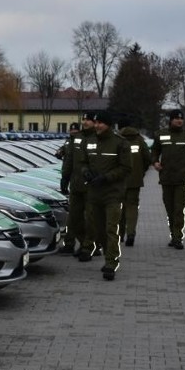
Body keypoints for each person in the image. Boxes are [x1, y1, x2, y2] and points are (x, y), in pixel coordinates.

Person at [77, 110, 131, 280]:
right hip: (94, 193)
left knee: (110, 228)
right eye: (96, 123)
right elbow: (83, 162)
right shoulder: (90, 141)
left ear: (108, 124)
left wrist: (107, 177)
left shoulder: (120, 143)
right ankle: (107, 254)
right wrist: (86, 172)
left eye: (100, 123)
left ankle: (111, 262)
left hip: (112, 194)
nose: (97, 126)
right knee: (97, 230)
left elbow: (126, 168)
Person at [151, 109, 185, 249]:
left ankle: (178, 237)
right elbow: (154, 150)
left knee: (179, 209)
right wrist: (155, 162)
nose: (179, 121)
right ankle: (173, 234)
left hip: (182, 178)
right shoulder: (161, 135)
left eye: (181, 119)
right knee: (170, 208)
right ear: (171, 120)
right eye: (176, 119)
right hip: (166, 177)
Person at [60, 113, 98, 260]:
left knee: (91, 218)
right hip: (76, 184)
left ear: (95, 122)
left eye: (89, 120)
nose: (85, 122)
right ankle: (83, 243)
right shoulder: (77, 138)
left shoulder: (98, 138)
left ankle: (89, 247)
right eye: (84, 119)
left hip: (92, 185)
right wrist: (65, 177)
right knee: (74, 218)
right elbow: (69, 159)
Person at [117, 117, 152, 247]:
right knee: (132, 207)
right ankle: (131, 233)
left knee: (119, 207)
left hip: (119, 180)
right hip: (135, 180)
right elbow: (148, 158)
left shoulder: (117, 139)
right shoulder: (139, 140)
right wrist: (141, 172)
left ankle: (119, 234)